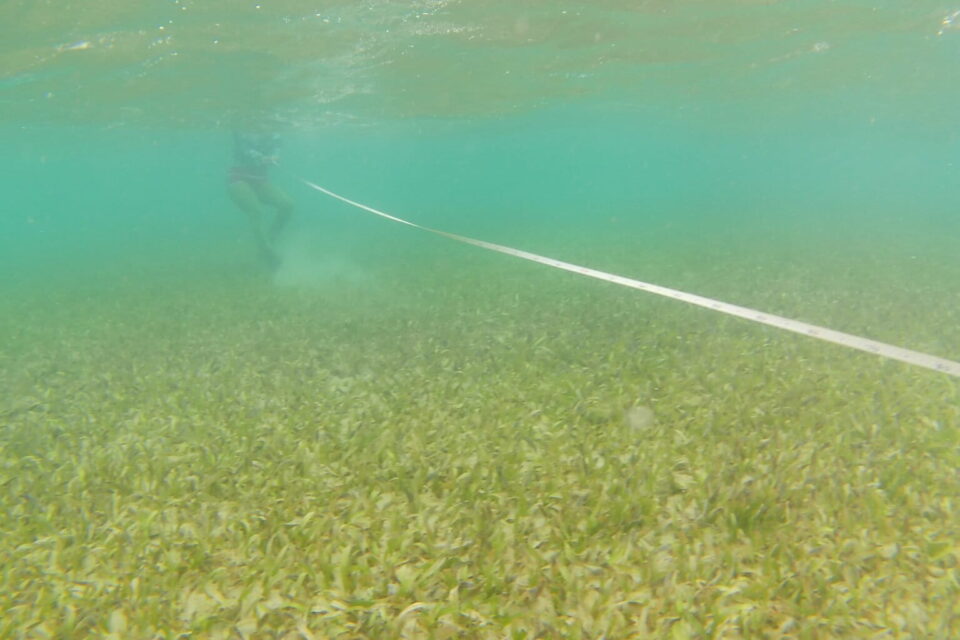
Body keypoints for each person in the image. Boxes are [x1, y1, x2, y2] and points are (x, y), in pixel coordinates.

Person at [228, 129, 294, 268]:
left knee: (287, 205)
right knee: (256, 211)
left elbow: (277, 147)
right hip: (238, 179)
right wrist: (262, 157)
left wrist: (275, 157)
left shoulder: (275, 131)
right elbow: (244, 148)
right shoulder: (242, 128)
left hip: (260, 181)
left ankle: (269, 241)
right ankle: (267, 251)